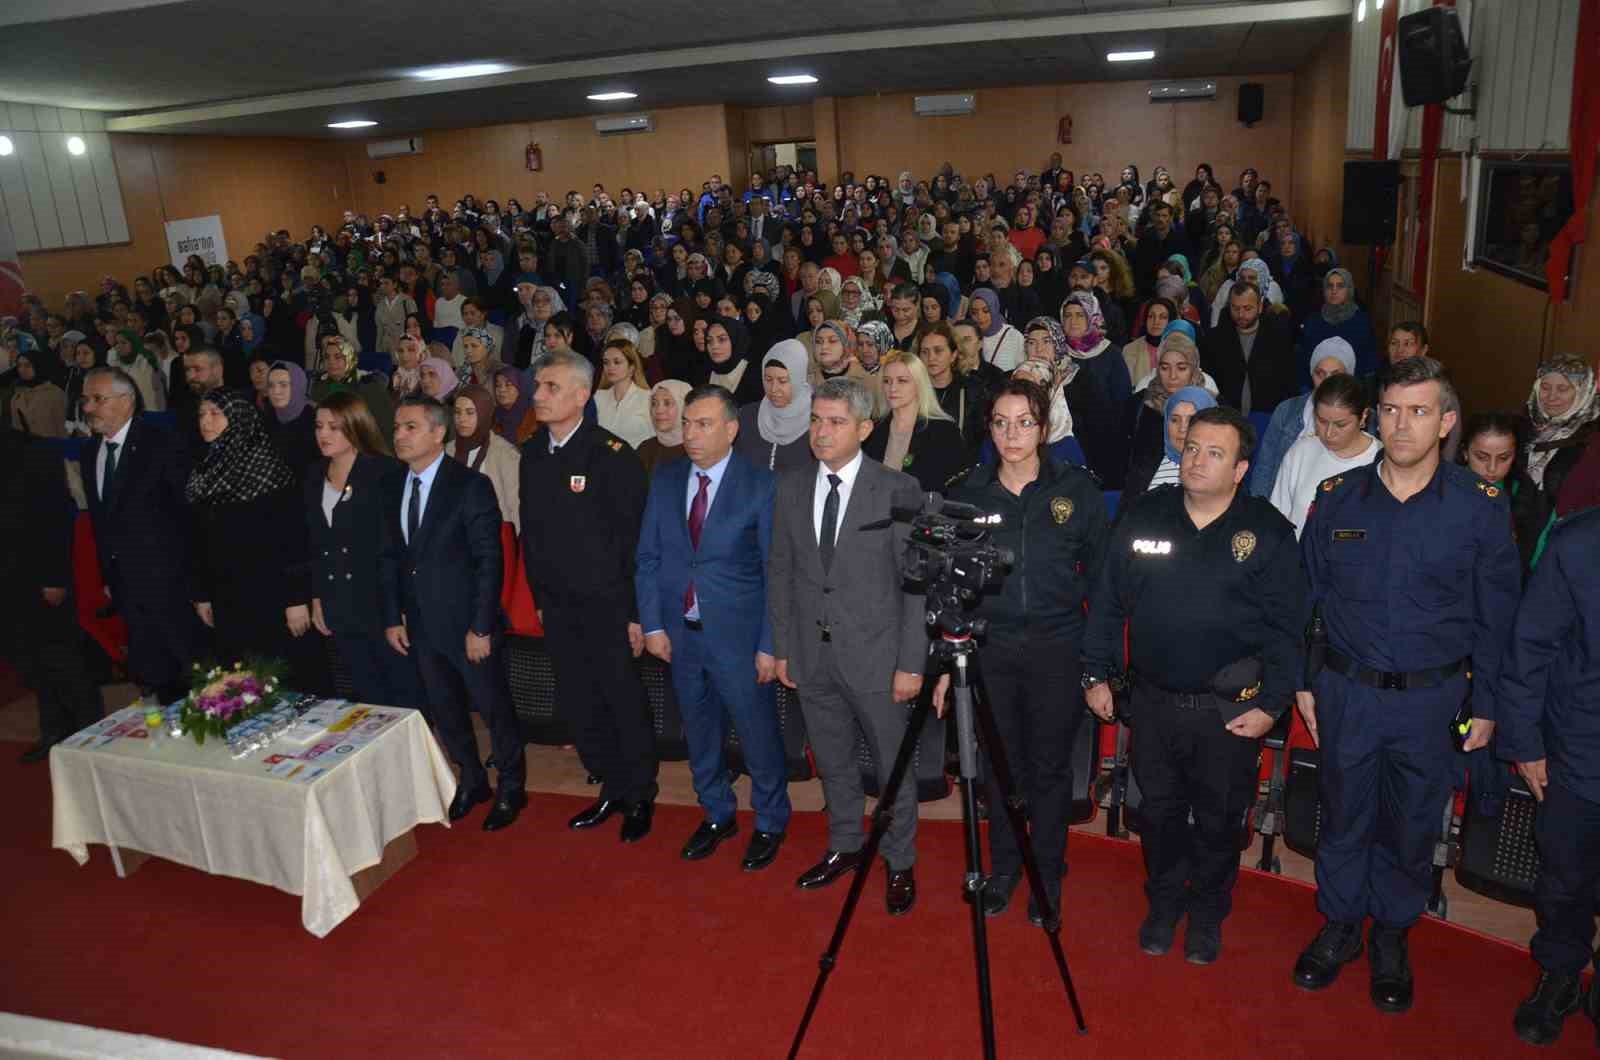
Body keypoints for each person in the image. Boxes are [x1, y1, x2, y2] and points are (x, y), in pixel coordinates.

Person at [1293, 357, 1522, 1013]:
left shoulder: (1479, 510)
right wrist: (1305, 678)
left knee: (1410, 822)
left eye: (1419, 411)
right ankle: (1340, 925)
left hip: (1432, 699)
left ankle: (1392, 933)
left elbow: (1497, 616)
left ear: (1446, 422)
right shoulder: (1338, 499)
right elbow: (1307, 598)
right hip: (1348, 692)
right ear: (1375, 415)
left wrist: (1488, 704)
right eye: (1391, 410)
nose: (1402, 424)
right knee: (1342, 813)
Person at [1083, 405, 1305, 965]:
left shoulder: (1268, 531)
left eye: (1215, 452)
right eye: (1191, 448)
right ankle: (1162, 902)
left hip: (1230, 712)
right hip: (1154, 702)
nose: (1197, 460)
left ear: (1240, 469)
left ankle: (1207, 911)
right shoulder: (1144, 516)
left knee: (1219, 819)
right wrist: (1096, 672)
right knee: (1157, 814)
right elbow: (1108, 603)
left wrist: (1274, 704)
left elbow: (1287, 628)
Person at [940, 378, 1108, 924]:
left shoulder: (1077, 490)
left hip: (1058, 648)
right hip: (990, 650)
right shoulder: (967, 490)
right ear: (988, 428)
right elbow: (953, 584)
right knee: (999, 768)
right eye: (1001, 422)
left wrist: (1099, 664)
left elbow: (1104, 583)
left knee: (1049, 769)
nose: (1012, 434)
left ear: (1044, 427)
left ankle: (1047, 875)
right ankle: (1006, 868)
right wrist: (947, 660)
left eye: (1024, 422)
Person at [768, 376, 925, 916]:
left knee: (891, 766)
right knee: (832, 761)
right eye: (816, 420)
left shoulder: (898, 489)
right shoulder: (789, 486)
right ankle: (844, 845)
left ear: (864, 428)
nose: (821, 431)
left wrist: (911, 663)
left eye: (835, 422)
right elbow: (782, 573)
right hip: (812, 653)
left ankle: (900, 860)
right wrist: (784, 646)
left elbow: (914, 586)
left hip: (879, 658)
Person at [636, 384, 792, 868]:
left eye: (703, 424)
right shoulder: (664, 479)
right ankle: (717, 811)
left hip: (741, 640)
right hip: (680, 635)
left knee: (756, 732)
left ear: (730, 429)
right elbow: (648, 558)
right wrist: (653, 624)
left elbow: (775, 570)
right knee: (698, 731)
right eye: (686, 423)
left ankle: (769, 819)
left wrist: (770, 643)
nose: (691, 433)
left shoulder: (761, 485)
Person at [519, 351, 658, 842]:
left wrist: (635, 614)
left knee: (621, 697)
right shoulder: (533, 454)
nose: (538, 394)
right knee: (580, 699)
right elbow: (531, 535)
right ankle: (611, 787)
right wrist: (538, 596)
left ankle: (640, 793)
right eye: (538, 385)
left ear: (581, 396)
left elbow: (634, 545)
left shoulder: (612, 456)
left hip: (609, 606)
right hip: (558, 604)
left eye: (551, 387)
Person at [380, 395, 527, 832]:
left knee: (493, 707)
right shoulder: (392, 485)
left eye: (410, 427)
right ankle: (472, 778)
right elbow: (389, 556)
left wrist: (481, 626)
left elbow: (489, 562)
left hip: (468, 625)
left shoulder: (469, 485)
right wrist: (393, 615)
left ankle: (512, 785)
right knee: (445, 709)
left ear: (437, 433)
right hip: (420, 626)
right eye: (397, 427)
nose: (399, 435)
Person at [1499, 507, 1600, 1046]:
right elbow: (1530, 645)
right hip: (1581, 747)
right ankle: (1560, 971)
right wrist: (1526, 742)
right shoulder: (1579, 543)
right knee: (1565, 875)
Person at [185, 389, 321, 686]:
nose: (205, 421)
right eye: (201, 414)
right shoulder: (203, 469)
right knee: (242, 679)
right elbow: (198, 541)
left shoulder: (267, 467)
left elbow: (293, 539)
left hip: (270, 592)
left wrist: (296, 598)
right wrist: (202, 594)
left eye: (215, 414)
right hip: (227, 594)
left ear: (238, 419)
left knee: (284, 675)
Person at [81, 366, 199, 705]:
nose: (88, 407)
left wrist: (194, 580)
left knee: (190, 671)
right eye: (86, 399)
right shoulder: (91, 452)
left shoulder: (161, 443)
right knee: (152, 673)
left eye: (98, 399)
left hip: (170, 582)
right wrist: (108, 574)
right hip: (125, 584)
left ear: (127, 401)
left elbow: (187, 514)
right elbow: (102, 522)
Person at [302, 391, 420, 709]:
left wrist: (401, 608)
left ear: (355, 427)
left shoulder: (385, 472)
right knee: (367, 691)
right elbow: (315, 543)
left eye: (333, 427)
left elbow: (399, 546)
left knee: (404, 690)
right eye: (319, 426)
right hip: (338, 599)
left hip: (380, 601)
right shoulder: (313, 475)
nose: (323, 434)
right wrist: (316, 597)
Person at [0, 428, 102, 761]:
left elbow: (55, 519)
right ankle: (54, 731)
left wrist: (54, 577)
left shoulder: (34, 450)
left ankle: (90, 731)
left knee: (61, 657)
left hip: (40, 577)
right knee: (27, 659)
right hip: (8, 580)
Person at [1268, 374, 1381, 537]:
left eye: (1340, 425)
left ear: (1363, 417)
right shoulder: (1301, 451)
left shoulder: (1381, 461)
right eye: (1321, 421)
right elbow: (1277, 516)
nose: (1329, 433)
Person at [1248, 338, 1357, 498]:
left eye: (1335, 375)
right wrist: (1261, 509)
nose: (1326, 382)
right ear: (1311, 374)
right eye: (1320, 374)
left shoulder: (1362, 417)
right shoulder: (1287, 410)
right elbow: (1265, 466)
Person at [863, 350, 969, 493]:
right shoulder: (873, 429)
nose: (892, 388)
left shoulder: (944, 432)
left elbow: (953, 488)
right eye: (887, 381)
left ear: (919, 384)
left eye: (902, 381)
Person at [1458, 412, 1544, 579]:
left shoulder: (1525, 493)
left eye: (1504, 458)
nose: (1492, 468)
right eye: (1481, 457)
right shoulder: (1444, 490)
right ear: (1465, 452)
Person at [1204, 282, 1297, 416]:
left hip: (1268, 417)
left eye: (1247, 308)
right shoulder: (1214, 339)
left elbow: (1289, 383)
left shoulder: (1279, 337)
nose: (1241, 314)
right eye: (1235, 308)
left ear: (1260, 307)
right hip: (1226, 416)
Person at [1125, 380, 1218, 503]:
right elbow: (1124, 516)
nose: (1182, 428)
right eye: (1174, 420)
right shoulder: (1144, 465)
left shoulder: (1222, 471)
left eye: (1191, 420)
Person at [1523, 356, 1598, 507]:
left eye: (1562, 389)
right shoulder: (1519, 428)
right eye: (1545, 387)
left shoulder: (1594, 440)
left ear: (1583, 392)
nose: (1551, 396)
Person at [735, 338, 814, 473]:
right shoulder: (748, 415)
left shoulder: (818, 418)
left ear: (798, 378)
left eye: (782, 381)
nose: (773, 389)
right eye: (768, 379)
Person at [451, 385, 522, 531]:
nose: (462, 419)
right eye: (457, 412)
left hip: (494, 536)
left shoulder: (506, 454)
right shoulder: (448, 450)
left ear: (484, 413)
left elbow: (516, 507)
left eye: (470, 413)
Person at [1297, 268, 1378, 384]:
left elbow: (1369, 365)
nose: (1334, 291)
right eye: (1330, 286)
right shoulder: (1313, 321)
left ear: (1349, 290)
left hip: (1352, 389)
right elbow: (1303, 361)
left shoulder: (1361, 322)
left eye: (1340, 286)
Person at [594, 340, 654, 448]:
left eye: (617, 362)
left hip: (638, 460)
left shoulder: (648, 398)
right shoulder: (598, 397)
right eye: (606, 362)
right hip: (602, 459)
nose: (610, 367)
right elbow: (593, 435)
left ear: (631, 367)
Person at [264, 361, 319, 476]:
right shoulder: (269, 414)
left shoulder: (316, 420)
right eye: (271, 385)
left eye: (283, 385)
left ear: (297, 386)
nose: (276, 391)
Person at [638, 379, 690, 475]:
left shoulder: (696, 451)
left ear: (684, 406)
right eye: (654, 403)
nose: (659, 410)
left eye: (667, 403)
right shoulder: (645, 449)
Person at [968, 288, 1023, 372]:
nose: (980, 316)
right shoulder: (967, 336)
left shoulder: (1014, 336)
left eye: (986, 311)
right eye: (974, 312)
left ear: (994, 309)